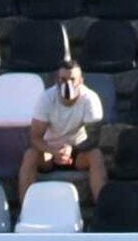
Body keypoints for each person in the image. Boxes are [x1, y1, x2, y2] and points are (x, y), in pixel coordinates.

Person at [16, 59, 106, 204]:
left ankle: (103, 209)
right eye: (63, 79)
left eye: (72, 79)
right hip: (50, 152)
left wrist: (71, 149)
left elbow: (94, 138)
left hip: (79, 151)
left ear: (81, 81)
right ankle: (25, 209)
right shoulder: (46, 98)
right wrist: (53, 151)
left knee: (96, 156)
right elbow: (35, 137)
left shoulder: (90, 99)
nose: (67, 83)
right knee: (30, 155)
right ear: (56, 80)